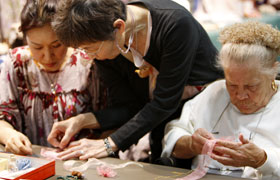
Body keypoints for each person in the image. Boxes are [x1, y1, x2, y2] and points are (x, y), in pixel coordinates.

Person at [47, 0, 223, 161]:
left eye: (89, 49)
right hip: (159, 124)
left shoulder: (175, 23)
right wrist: (82, 121)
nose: (87, 56)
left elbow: (165, 103)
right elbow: (129, 107)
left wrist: (110, 143)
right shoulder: (107, 45)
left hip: (203, 118)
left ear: (119, 27)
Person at [161, 21, 280, 179]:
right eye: (232, 85)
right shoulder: (215, 92)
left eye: (251, 86)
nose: (240, 95)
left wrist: (262, 160)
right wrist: (191, 144)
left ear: (273, 71)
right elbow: (174, 134)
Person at [0, 0, 106, 155]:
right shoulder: (16, 63)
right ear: (25, 38)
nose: (48, 57)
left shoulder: (87, 62)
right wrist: (9, 136)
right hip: (31, 159)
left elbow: (112, 118)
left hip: (84, 160)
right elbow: (2, 117)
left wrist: (97, 147)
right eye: (37, 47)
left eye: (56, 45)